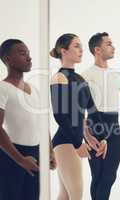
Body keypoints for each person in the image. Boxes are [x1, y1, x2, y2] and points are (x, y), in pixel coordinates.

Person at [82, 32, 120, 200]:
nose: (113, 47)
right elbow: (79, 110)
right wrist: (86, 133)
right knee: (98, 176)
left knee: (110, 176)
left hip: (113, 127)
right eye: (109, 44)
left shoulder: (117, 75)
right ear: (97, 49)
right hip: (94, 126)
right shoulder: (85, 75)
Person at [50, 33, 105, 200]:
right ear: (63, 50)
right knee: (76, 193)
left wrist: (100, 137)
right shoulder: (59, 77)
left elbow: (92, 111)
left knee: (66, 194)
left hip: (74, 139)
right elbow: (60, 116)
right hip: (65, 140)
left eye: (81, 46)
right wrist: (77, 143)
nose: (81, 50)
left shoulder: (80, 79)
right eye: (76, 46)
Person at [0, 39, 55, 199]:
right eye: (22, 53)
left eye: (29, 53)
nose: (29, 58)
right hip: (11, 154)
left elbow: (42, 123)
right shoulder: (2, 88)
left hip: (35, 154)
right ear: (7, 59)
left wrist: (49, 151)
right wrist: (20, 159)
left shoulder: (36, 90)